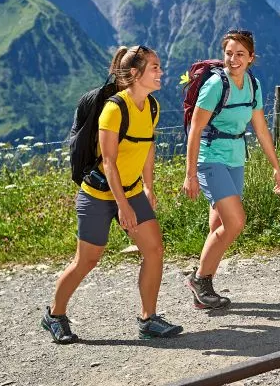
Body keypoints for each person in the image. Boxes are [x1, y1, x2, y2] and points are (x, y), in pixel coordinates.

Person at [42, 45, 182, 343]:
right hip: (97, 195)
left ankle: (148, 319)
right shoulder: (114, 108)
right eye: (155, 67)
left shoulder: (152, 107)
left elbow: (147, 147)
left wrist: (148, 186)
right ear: (135, 73)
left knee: (154, 251)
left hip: (131, 191)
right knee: (87, 261)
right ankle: (54, 315)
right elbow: (108, 162)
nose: (161, 72)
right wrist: (123, 206)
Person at [183, 29, 280, 309]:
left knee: (218, 225)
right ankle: (200, 280)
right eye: (229, 53)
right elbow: (195, 129)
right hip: (210, 157)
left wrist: (276, 167)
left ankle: (203, 292)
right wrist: (190, 174)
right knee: (236, 222)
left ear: (251, 58)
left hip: (235, 158)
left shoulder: (253, 84)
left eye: (240, 54)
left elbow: (261, 129)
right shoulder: (216, 85)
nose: (233, 59)